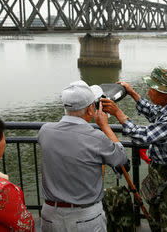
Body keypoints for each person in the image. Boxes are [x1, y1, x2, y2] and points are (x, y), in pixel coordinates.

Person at [101, 66, 167, 232]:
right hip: (161, 175)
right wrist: (132, 93)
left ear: (164, 93)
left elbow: (142, 136)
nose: (148, 92)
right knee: (156, 220)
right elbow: (153, 112)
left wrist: (118, 113)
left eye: (152, 89)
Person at [38, 80, 127, 232]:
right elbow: (120, 158)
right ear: (91, 110)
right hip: (85, 217)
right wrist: (105, 126)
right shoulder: (96, 138)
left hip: (50, 215)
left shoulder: (45, 131)